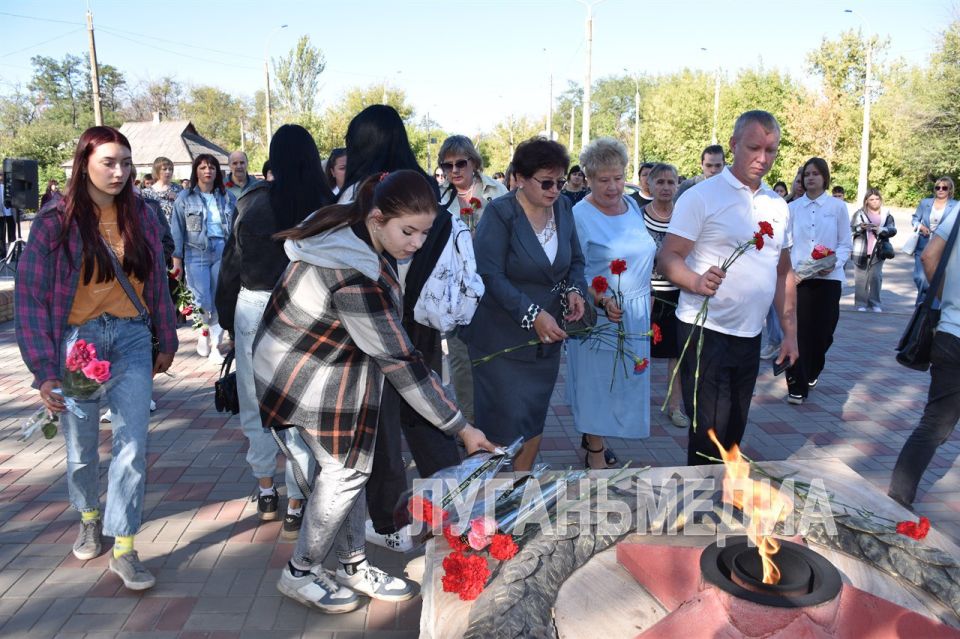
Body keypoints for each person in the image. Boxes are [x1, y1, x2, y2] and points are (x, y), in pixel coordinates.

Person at [255, 170, 496, 613]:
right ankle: (301, 571)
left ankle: (350, 563)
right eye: (409, 232)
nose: (417, 244)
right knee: (344, 475)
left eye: (425, 233)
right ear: (378, 216)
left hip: (325, 370)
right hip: (304, 382)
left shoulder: (358, 235)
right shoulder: (354, 270)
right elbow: (400, 359)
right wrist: (460, 426)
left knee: (348, 472)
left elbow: (388, 351)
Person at [14, 126, 178, 591]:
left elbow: (157, 284)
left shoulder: (143, 215)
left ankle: (124, 547)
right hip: (80, 347)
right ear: (84, 161)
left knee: (132, 446)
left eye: (126, 163)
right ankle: (89, 515)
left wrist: (166, 339)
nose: (119, 172)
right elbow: (29, 299)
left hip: (128, 340)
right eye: (109, 162)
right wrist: (44, 371)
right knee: (82, 446)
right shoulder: (55, 221)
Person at [338, 105, 461, 553]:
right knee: (426, 408)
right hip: (422, 320)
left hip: (373, 322)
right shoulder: (423, 187)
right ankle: (453, 506)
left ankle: (389, 521)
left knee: (382, 425)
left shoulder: (359, 193)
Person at [660, 110, 798, 466]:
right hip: (705, 328)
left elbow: (784, 273)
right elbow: (669, 258)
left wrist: (790, 332)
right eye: (754, 148)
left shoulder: (778, 205)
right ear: (734, 144)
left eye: (771, 150)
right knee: (708, 427)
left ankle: (723, 495)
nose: (763, 159)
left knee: (735, 424)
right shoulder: (701, 196)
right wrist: (695, 280)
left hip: (749, 333)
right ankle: (702, 510)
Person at [216, 125, 333, 536]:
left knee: (254, 404)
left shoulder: (251, 203)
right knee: (299, 409)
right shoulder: (323, 206)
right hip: (304, 309)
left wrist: (226, 320)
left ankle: (266, 489)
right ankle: (298, 500)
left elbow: (230, 266)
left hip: (251, 305)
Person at [463, 137, 587, 471]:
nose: (555, 190)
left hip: (544, 342)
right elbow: (489, 275)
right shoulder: (501, 214)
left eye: (560, 182)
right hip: (501, 339)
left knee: (533, 418)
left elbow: (575, 259)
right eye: (546, 182)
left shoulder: (562, 208)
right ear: (519, 177)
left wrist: (575, 289)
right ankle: (491, 502)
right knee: (502, 423)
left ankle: (519, 493)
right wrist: (531, 313)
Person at [568, 138, 656, 469]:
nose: (613, 186)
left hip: (636, 311)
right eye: (603, 180)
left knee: (623, 382)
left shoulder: (632, 206)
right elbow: (571, 271)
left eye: (618, 178)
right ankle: (595, 453)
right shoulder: (579, 215)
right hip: (600, 314)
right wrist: (600, 299)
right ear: (588, 178)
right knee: (597, 386)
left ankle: (597, 439)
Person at [888, 204, 960, 509]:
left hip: (950, 333)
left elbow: (929, 256)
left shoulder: (957, 213)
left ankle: (897, 500)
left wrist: (950, 303)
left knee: (933, 425)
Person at [437, 135, 508, 425]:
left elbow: (512, 235)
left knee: (495, 360)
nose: (454, 170)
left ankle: (497, 423)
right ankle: (470, 427)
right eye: (447, 164)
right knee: (461, 362)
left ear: (474, 163)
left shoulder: (497, 191)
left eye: (460, 163)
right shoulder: (439, 198)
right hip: (455, 292)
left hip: (492, 288)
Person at [784, 157, 852, 405]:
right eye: (806, 174)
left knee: (823, 333)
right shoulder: (792, 209)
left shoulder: (837, 207)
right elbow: (787, 244)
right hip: (800, 279)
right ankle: (797, 386)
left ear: (825, 177)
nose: (810, 178)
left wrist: (834, 262)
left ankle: (812, 369)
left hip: (828, 279)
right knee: (798, 331)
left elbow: (845, 243)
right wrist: (790, 273)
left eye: (815, 174)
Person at [170, 154, 237, 362]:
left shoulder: (227, 197)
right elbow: (177, 231)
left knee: (218, 300)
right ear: (196, 171)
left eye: (211, 168)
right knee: (202, 301)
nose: (207, 171)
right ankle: (203, 333)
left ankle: (216, 345)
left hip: (221, 251)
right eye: (203, 168)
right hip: (195, 252)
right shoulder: (185, 198)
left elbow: (235, 227)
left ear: (217, 172)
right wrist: (177, 260)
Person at [640, 163, 690, 428]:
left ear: (678, 185)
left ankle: (674, 406)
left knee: (677, 354)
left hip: (677, 294)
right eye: (660, 182)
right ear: (650, 184)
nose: (666, 187)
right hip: (645, 296)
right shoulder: (637, 216)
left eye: (671, 182)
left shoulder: (685, 217)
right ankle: (637, 405)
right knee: (640, 351)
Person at [912, 177, 958, 304]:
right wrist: (920, 226)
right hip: (923, 244)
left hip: (942, 247)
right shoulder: (925, 203)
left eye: (944, 188)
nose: (941, 190)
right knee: (920, 278)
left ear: (950, 190)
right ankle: (922, 305)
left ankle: (929, 308)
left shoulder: (955, 205)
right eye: (938, 187)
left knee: (936, 278)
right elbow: (915, 219)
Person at [851, 188, 897, 312]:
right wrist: (861, 227)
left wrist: (881, 230)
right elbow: (851, 228)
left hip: (879, 250)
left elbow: (893, 230)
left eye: (877, 199)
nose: (875, 201)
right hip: (860, 249)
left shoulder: (887, 215)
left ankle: (875, 302)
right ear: (866, 201)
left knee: (875, 277)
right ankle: (861, 303)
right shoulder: (859, 213)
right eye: (871, 199)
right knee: (861, 278)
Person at [140, 156, 183, 222]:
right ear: (157, 171)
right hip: (155, 230)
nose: (168, 172)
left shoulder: (178, 189)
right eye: (164, 169)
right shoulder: (146, 193)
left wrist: (178, 199)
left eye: (170, 169)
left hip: (175, 230)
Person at [0, 174, 15, 257]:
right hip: (1, 214)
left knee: (11, 235)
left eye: (2, 175)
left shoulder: (9, 186)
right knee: (1, 235)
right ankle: (3, 254)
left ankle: (11, 254)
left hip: (10, 213)